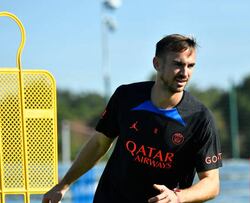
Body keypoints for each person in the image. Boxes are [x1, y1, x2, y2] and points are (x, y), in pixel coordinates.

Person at [42, 34, 222, 203]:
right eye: (178, 64)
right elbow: (99, 144)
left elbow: (212, 183)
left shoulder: (200, 118)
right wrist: (64, 184)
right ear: (157, 64)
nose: (185, 73)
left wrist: (177, 197)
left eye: (190, 66)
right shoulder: (126, 96)